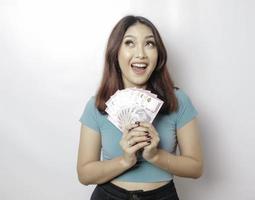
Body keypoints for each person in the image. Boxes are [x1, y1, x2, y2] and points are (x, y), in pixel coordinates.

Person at [77, 15, 203, 200]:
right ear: (116, 52)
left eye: (149, 44)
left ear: (158, 54)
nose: (141, 54)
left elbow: (196, 168)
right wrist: (125, 160)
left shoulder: (178, 101)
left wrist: (155, 155)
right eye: (129, 43)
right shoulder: (98, 105)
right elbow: (84, 174)